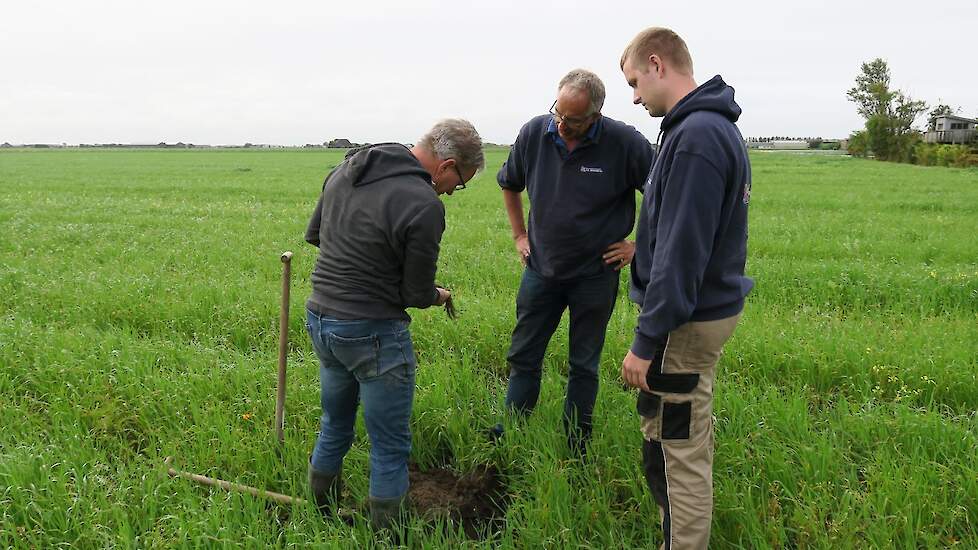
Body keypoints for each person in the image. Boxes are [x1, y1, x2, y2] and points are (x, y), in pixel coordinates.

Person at [303, 119, 484, 530]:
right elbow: (414, 294)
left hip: (322, 320)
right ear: (447, 165)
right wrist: (440, 295)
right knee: (389, 446)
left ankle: (319, 514)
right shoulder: (424, 204)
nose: (453, 192)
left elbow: (317, 236)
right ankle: (387, 535)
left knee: (335, 423)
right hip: (373, 334)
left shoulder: (346, 171)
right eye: (459, 183)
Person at [619, 27, 753, 549]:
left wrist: (645, 343)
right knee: (668, 428)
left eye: (634, 82)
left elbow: (681, 256)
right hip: (694, 312)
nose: (633, 96)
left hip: (685, 320)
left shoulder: (696, 137)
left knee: (681, 449)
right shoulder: (699, 129)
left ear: (657, 64)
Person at [494, 69, 655, 454]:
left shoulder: (625, 142)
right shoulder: (535, 133)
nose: (563, 126)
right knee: (524, 355)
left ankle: (575, 443)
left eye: (575, 120)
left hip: (595, 276)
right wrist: (519, 235)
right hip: (542, 271)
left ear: (596, 115)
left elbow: (664, 193)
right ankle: (512, 431)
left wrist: (639, 247)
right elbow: (509, 183)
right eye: (559, 114)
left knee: (584, 363)